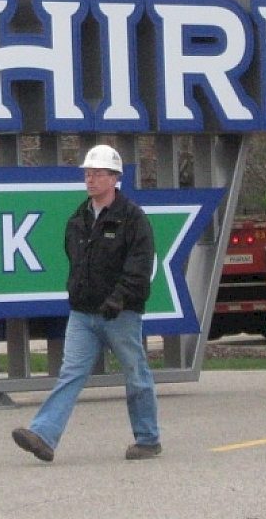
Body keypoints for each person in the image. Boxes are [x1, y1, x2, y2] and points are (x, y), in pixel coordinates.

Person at [11, 143, 161, 462]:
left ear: (114, 178)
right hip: (83, 314)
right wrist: (78, 295)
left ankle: (148, 439)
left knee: (136, 374)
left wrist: (118, 298)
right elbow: (76, 262)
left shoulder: (133, 219)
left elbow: (139, 266)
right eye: (87, 174)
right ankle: (43, 435)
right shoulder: (77, 219)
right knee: (70, 374)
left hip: (121, 315)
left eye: (97, 173)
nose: (90, 179)